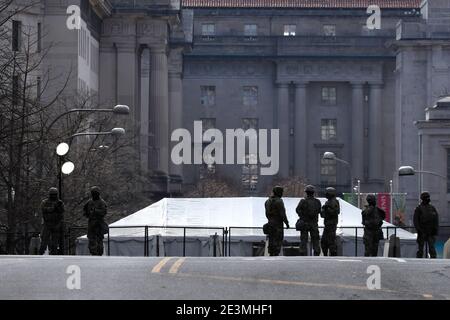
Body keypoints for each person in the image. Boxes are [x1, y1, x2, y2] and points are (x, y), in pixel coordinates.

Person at [296, 185, 321, 256]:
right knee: (315, 239)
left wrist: (303, 216)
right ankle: (316, 252)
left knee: (304, 239)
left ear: (306, 192)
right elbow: (319, 211)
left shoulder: (303, 201)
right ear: (313, 192)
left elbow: (297, 210)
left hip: (305, 223)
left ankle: (302, 252)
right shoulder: (317, 201)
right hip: (314, 223)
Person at [264, 186, 289, 256]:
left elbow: (266, 213)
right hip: (278, 224)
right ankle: (275, 253)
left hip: (270, 223)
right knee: (278, 240)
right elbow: (283, 214)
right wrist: (286, 223)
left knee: (271, 239)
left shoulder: (267, 201)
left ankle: (271, 252)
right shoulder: (279, 201)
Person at [83, 186, 108, 256]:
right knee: (91, 239)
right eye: (93, 193)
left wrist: (95, 211)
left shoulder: (102, 202)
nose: (94, 194)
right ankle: (93, 252)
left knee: (99, 239)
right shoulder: (89, 202)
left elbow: (104, 211)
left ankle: (99, 252)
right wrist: (88, 214)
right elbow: (85, 210)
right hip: (91, 223)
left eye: (95, 193)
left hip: (99, 223)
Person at [39, 188, 64, 255]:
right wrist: (53, 208)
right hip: (47, 223)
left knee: (55, 242)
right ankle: (40, 253)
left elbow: (61, 213)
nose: (53, 196)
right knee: (44, 241)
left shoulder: (59, 202)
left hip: (56, 224)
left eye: (55, 195)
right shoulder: (45, 202)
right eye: (52, 195)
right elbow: (43, 209)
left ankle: (54, 254)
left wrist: (59, 223)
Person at [414, 191, 439, 258]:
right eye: (426, 197)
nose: (427, 199)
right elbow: (416, 221)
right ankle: (419, 259)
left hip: (430, 232)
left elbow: (436, 220)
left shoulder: (432, 208)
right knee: (421, 249)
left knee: (432, 248)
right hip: (422, 231)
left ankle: (433, 259)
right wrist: (419, 230)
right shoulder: (419, 208)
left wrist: (435, 230)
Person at [320, 187, 340, 256]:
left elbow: (336, 212)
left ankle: (333, 254)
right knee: (324, 241)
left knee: (331, 241)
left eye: (327, 193)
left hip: (331, 225)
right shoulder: (328, 202)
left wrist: (327, 208)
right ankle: (326, 254)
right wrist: (323, 209)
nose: (326, 194)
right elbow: (323, 215)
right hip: (327, 224)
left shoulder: (334, 201)